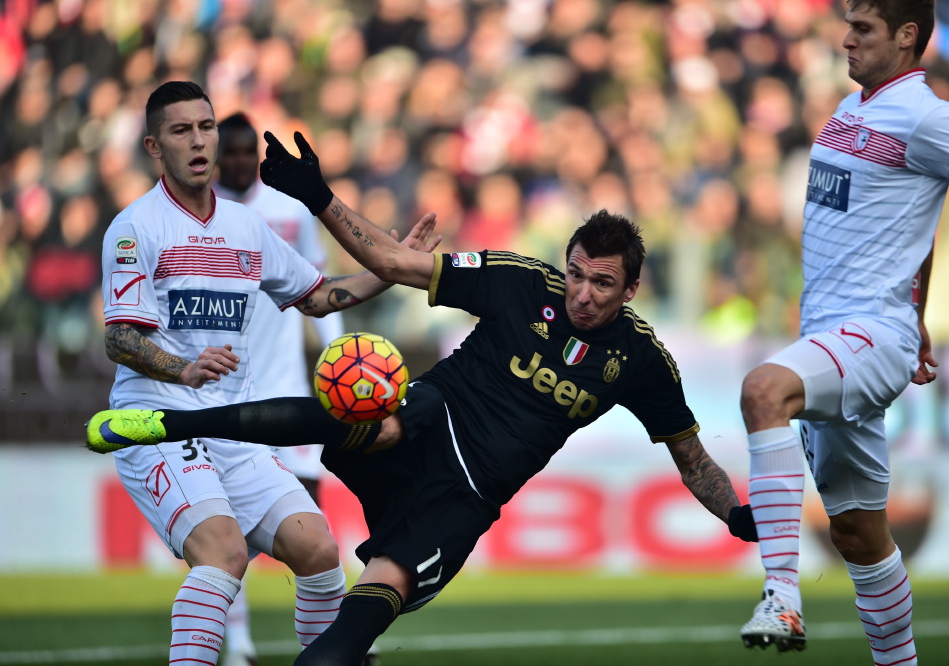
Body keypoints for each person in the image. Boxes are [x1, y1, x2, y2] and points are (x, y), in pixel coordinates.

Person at [86, 130, 760, 666]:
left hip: (464, 495)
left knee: (363, 599)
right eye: (576, 273)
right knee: (366, 419)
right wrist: (320, 197)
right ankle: (164, 420)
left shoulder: (640, 360)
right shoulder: (521, 281)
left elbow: (693, 458)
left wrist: (737, 517)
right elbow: (397, 264)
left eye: (601, 284)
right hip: (429, 416)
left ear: (631, 290)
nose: (581, 293)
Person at [93, 81, 438, 666]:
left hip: (236, 429)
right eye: (182, 131)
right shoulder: (135, 229)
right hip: (160, 425)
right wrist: (183, 368)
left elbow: (320, 296)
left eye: (205, 127)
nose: (199, 141)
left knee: (319, 548)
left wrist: (397, 266)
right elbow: (119, 337)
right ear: (155, 147)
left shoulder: (247, 228)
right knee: (224, 554)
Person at [735, 0, 949, 661]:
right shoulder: (848, 109)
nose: (846, 39)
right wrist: (918, 313)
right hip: (837, 336)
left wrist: (903, 321)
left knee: (761, 391)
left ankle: (782, 595)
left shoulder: (933, 119)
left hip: (869, 338)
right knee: (860, 537)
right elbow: (911, 226)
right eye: (847, 25)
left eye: (862, 27)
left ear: (905, 36)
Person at [214, 113, 381, 666]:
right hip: (230, 395)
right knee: (229, 537)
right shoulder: (201, 216)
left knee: (312, 524)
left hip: (288, 389)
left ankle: (334, 644)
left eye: (246, 151)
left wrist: (337, 356)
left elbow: (315, 284)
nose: (239, 160)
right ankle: (238, 647)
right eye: (230, 151)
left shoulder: (289, 210)